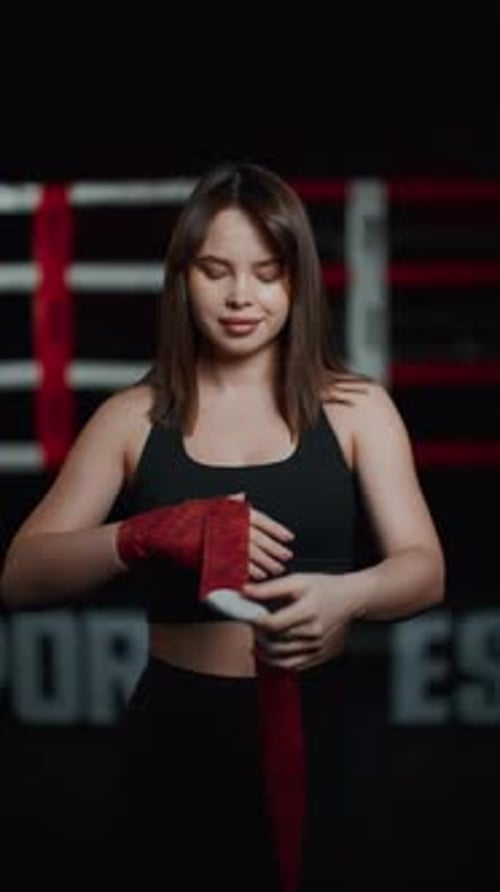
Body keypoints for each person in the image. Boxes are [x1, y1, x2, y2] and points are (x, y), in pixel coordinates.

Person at [0, 161, 445, 890]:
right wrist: (147, 533)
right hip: (177, 730)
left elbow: (424, 567)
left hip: (320, 725)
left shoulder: (357, 407)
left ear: (297, 280)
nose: (242, 296)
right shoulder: (133, 417)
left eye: (267, 273)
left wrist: (348, 596)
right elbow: (19, 576)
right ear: (183, 279)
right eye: (216, 271)